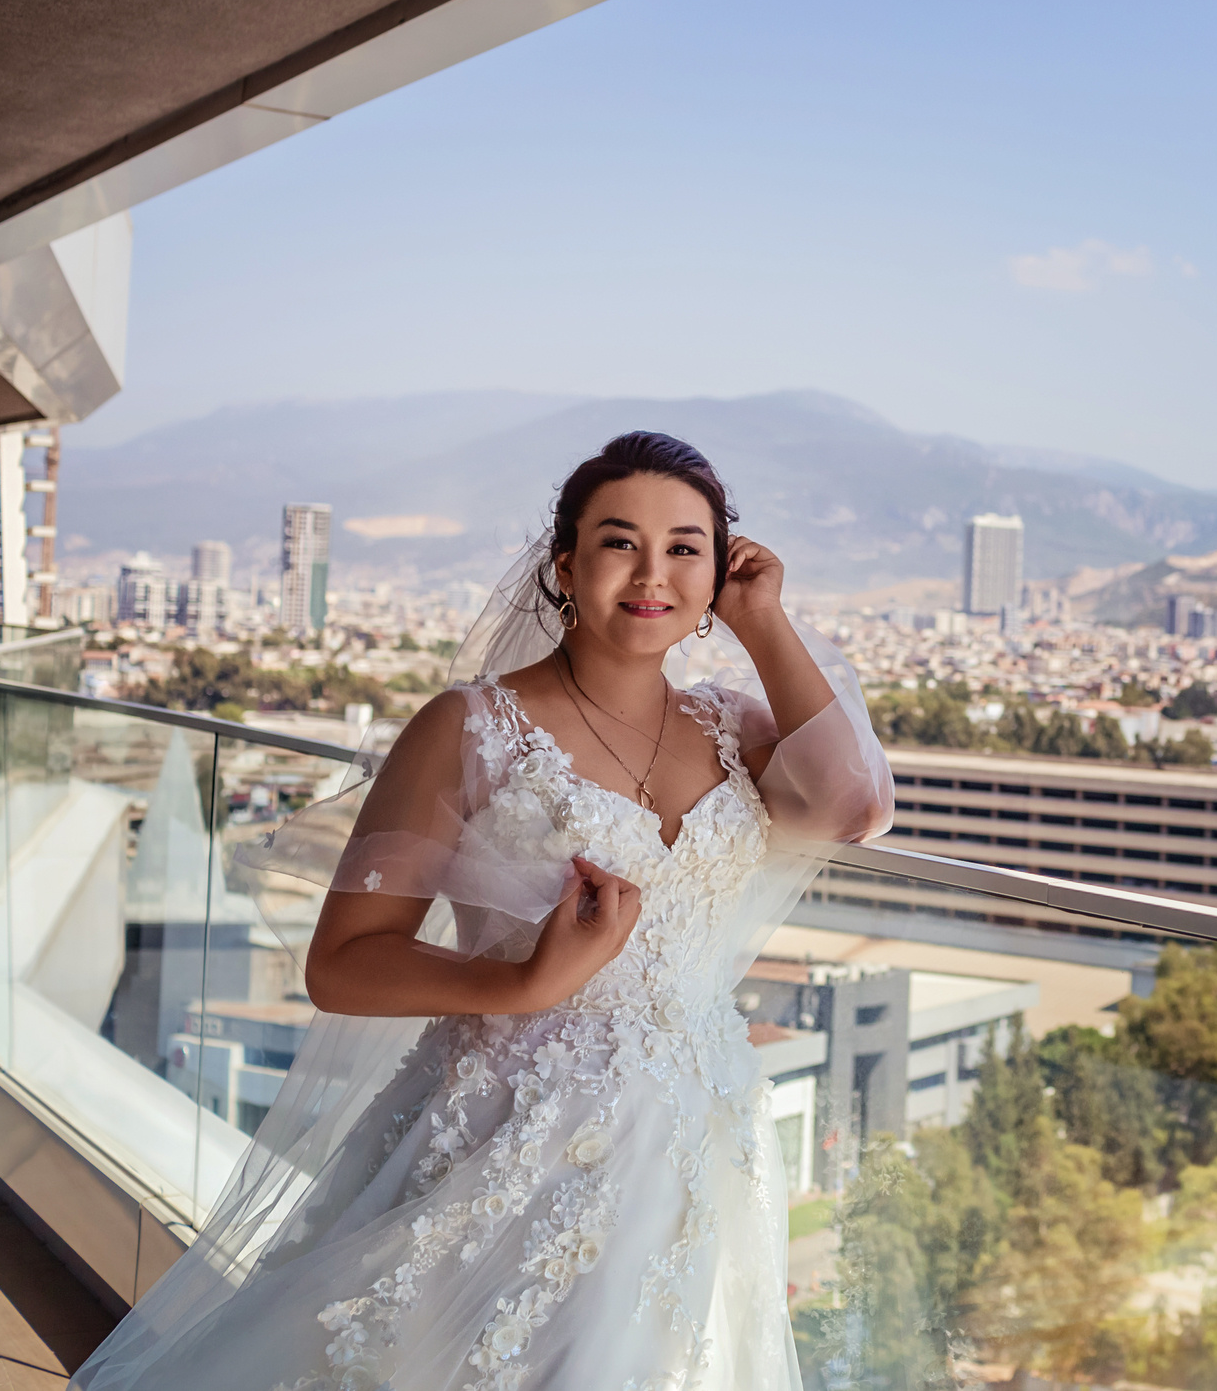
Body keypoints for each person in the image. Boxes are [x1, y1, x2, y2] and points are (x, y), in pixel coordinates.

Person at [72, 433, 893, 1391]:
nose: (652, 573)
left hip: (697, 1146)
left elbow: (853, 807)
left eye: (686, 548)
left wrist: (765, 621)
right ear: (564, 564)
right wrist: (526, 980)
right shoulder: (469, 728)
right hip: (511, 1136)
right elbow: (342, 963)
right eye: (620, 542)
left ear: (720, 571)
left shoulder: (733, 725)